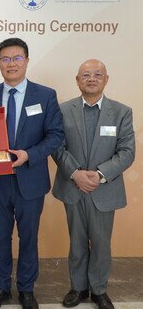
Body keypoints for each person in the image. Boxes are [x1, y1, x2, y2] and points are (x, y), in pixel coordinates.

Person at [0, 38, 64, 309]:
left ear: (27, 60)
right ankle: (1, 286)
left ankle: (26, 288)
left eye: (17, 58)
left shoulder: (45, 95)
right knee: (0, 237)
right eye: (6, 59)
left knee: (29, 237)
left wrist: (29, 155)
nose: (11, 64)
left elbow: (56, 136)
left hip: (31, 179)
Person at [52, 59, 135, 309]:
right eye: (85, 75)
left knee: (100, 242)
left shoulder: (121, 112)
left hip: (104, 188)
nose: (92, 78)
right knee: (76, 241)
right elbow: (56, 145)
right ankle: (78, 288)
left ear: (106, 79)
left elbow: (127, 151)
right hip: (73, 185)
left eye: (97, 74)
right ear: (77, 80)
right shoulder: (62, 110)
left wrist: (99, 175)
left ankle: (99, 289)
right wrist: (75, 173)